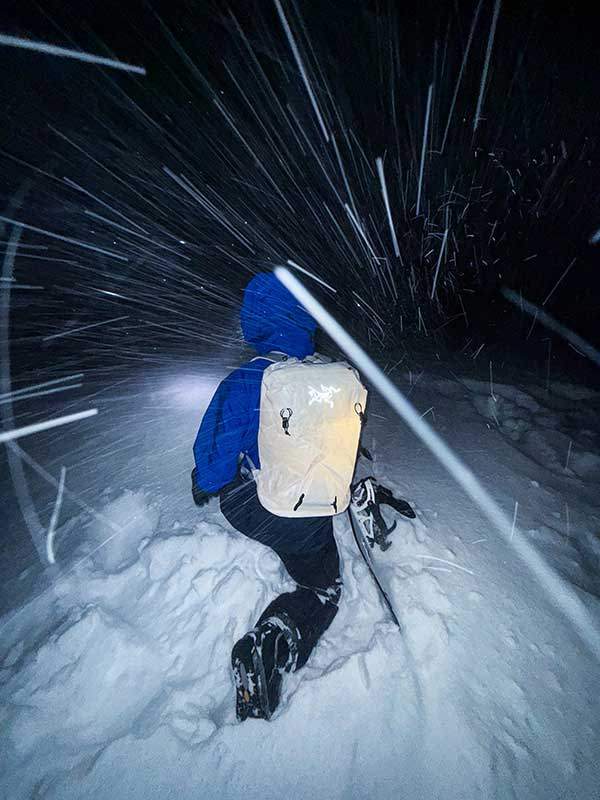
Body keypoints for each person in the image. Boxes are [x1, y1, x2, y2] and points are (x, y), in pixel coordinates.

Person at [192, 272, 343, 721]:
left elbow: (213, 466)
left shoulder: (245, 381)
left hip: (256, 507)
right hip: (313, 507)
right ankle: (281, 636)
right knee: (324, 582)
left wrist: (205, 479)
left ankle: (268, 644)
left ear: (254, 318)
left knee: (315, 577)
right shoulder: (327, 374)